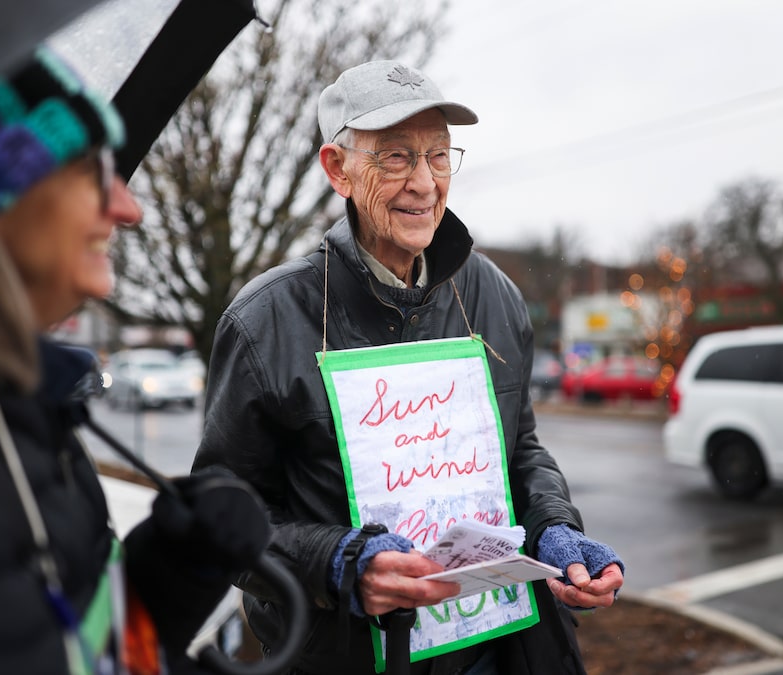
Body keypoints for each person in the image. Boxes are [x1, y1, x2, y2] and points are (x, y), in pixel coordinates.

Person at [192, 60, 625, 674]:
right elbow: (222, 518)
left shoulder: (495, 297)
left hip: (501, 650)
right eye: (395, 157)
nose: (425, 183)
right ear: (337, 169)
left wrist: (555, 527)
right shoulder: (265, 320)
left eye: (439, 156)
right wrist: (336, 563)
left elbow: (521, 449)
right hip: (341, 657)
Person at [0, 46, 269, 675]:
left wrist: (177, 566)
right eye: (93, 169)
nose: (127, 208)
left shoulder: (21, 410)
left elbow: (92, 643)